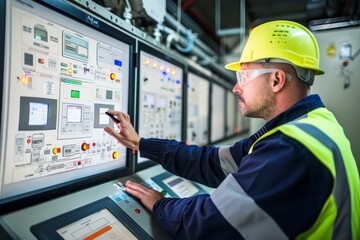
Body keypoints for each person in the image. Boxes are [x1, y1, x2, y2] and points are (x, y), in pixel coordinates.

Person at [104, 20, 360, 239]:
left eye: (244, 78)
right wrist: (141, 144)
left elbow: (209, 224)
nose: (236, 89)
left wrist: (159, 204)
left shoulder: (291, 149)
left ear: (276, 80)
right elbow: (212, 163)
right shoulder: (308, 126)